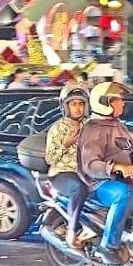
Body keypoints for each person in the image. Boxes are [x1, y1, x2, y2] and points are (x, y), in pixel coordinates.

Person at [78, 82, 133, 266]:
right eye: (117, 101)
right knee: (125, 194)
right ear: (104, 103)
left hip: (121, 178)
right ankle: (108, 245)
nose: (122, 103)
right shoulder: (95, 129)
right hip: (98, 183)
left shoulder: (115, 124)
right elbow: (91, 164)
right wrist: (115, 167)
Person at [45, 84, 90, 248]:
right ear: (66, 106)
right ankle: (72, 231)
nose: (78, 108)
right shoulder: (57, 128)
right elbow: (50, 158)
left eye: (81, 104)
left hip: (88, 172)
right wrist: (66, 144)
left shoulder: (90, 125)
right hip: (63, 173)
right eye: (73, 104)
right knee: (78, 189)